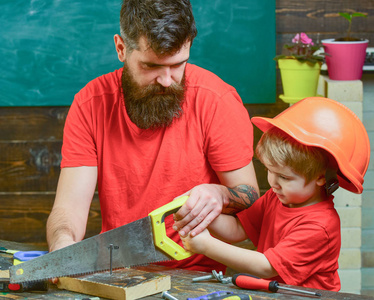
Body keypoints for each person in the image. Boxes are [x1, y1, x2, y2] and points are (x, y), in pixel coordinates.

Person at [46, 0, 259, 273]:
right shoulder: (90, 104)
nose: (167, 80)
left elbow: (250, 198)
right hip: (118, 271)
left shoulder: (217, 101)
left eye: (178, 65)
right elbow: (69, 209)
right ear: (121, 48)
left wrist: (220, 194)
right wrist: (63, 244)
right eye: (151, 67)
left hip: (197, 278)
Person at [179, 97, 370, 290]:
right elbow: (238, 229)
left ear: (320, 178)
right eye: (269, 170)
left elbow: (267, 266)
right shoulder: (277, 197)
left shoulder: (320, 226)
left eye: (284, 177)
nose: (273, 182)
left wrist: (206, 246)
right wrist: (200, 214)